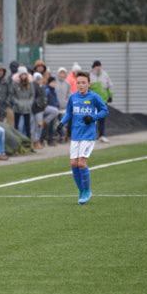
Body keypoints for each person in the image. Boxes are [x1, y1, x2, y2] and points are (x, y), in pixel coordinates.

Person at [57, 71, 108, 205]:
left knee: (81, 163)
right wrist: (61, 123)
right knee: (73, 163)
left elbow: (104, 110)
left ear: (88, 84)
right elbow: (69, 113)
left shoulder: (94, 97)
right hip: (75, 135)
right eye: (78, 82)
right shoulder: (73, 98)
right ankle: (81, 190)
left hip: (88, 135)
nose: (80, 85)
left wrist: (93, 117)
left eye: (83, 82)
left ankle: (87, 191)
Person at [89, 60, 113, 143]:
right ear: (93, 67)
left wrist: (110, 96)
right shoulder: (90, 76)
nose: (98, 68)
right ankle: (92, 135)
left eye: (99, 66)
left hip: (103, 100)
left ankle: (101, 135)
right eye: (96, 66)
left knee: (102, 118)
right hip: (93, 101)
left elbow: (109, 86)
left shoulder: (105, 75)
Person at [11, 66, 34, 138]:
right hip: (17, 107)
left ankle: (28, 141)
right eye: (22, 74)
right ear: (19, 75)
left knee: (28, 125)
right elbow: (12, 94)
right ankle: (16, 140)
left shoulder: (30, 84)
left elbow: (32, 94)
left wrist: (29, 103)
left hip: (27, 107)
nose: (23, 76)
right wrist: (17, 102)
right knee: (16, 125)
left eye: (25, 74)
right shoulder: (15, 84)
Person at [31, 72, 47, 149]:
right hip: (34, 109)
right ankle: (35, 141)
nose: (39, 80)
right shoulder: (33, 86)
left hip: (40, 109)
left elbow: (44, 98)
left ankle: (37, 140)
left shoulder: (42, 87)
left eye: (40, 79)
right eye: (37, 79)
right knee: (34, 125)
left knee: (39, 125)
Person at [43, 76, 60, 146]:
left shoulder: (53, 90)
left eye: (55, 82)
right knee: (48, 125)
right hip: (49, 110)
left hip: (54, 110)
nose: (54, 84)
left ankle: (51, 140)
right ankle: (46, 139)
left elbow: (55, 100)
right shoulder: (47, 90)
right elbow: (45, 100)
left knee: (53, 126)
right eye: (53, 82)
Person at [55, 67, 71, 143]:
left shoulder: (67, 84)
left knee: (63, 123)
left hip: (64, 107)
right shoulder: (55, 83)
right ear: (58, 74)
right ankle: (57, 136)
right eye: (60, 73)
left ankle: (63, 137)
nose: (62, 74)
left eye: (63, 73)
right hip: (56, 107)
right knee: (56, 123)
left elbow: (68, 94)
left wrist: (67, 102)